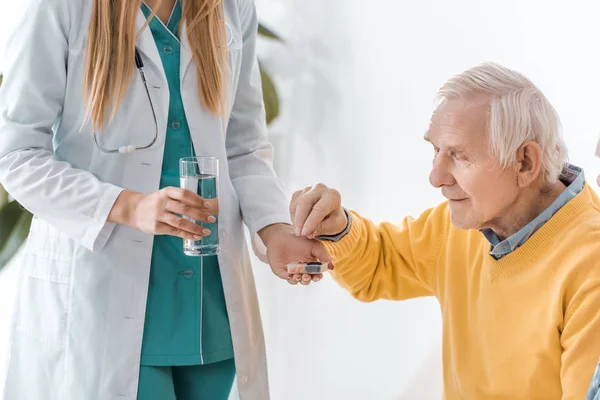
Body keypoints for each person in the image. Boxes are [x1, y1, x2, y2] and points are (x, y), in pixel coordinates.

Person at [0, 0, 326, 399]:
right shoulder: (62, 9)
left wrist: (275, 230)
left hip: (210, 310)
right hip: (105, 300)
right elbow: (16, 155)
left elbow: (242, 148)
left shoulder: (230, 8)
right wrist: (127, 206)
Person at [288, 62, 600, 399]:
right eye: (436, 151)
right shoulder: (467, 222)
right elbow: (380, 263)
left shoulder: (590, 267)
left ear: (524, 162)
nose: (436, 177)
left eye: (459, 156)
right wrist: (338, 228)